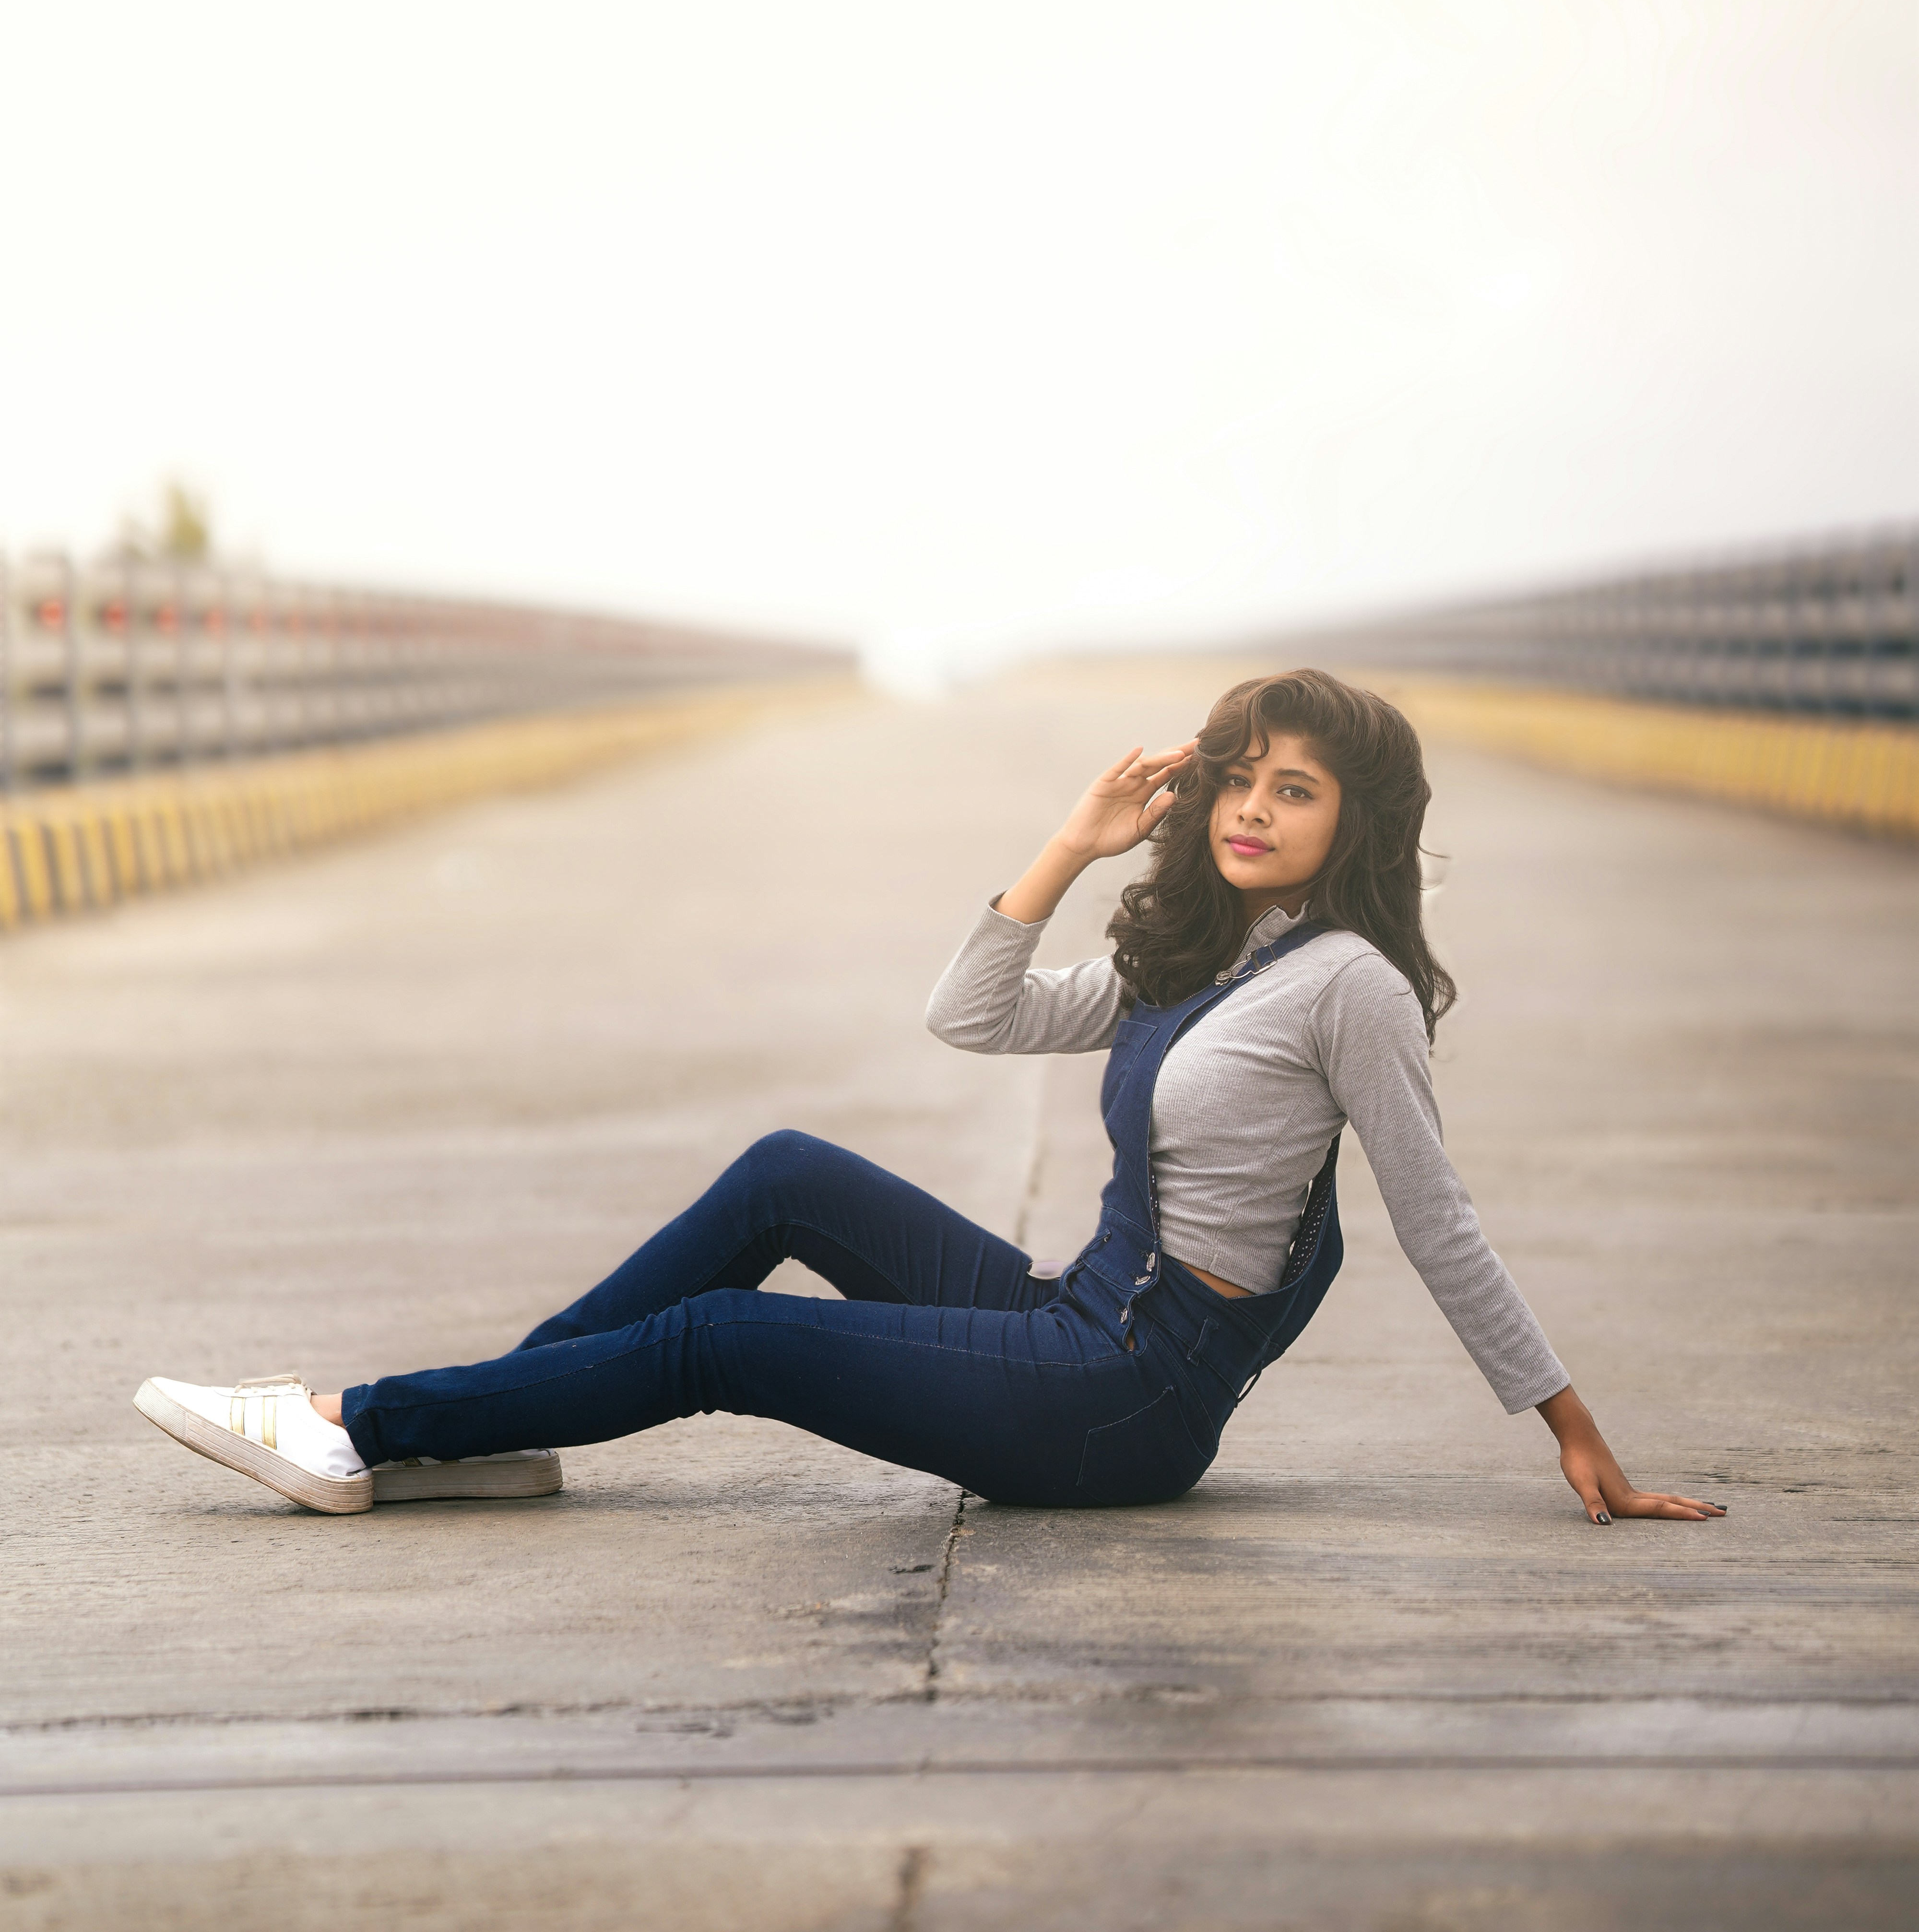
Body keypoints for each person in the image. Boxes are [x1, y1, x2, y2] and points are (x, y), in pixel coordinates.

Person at [135, 670, 1724, 1529]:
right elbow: (971, 1015)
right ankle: (494, 1422)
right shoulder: (1210, 955)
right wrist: (1078, 838)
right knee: (786, 1174)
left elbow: (1440, 1223)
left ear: (1356, 822)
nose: (1248, 806)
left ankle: (365, 1429)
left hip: (1127, 1395)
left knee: (724, 1342)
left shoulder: (1353, 991)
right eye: (1237, 776)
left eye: (1291, 789)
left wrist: (1571, 1431)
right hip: (1073, 1314)